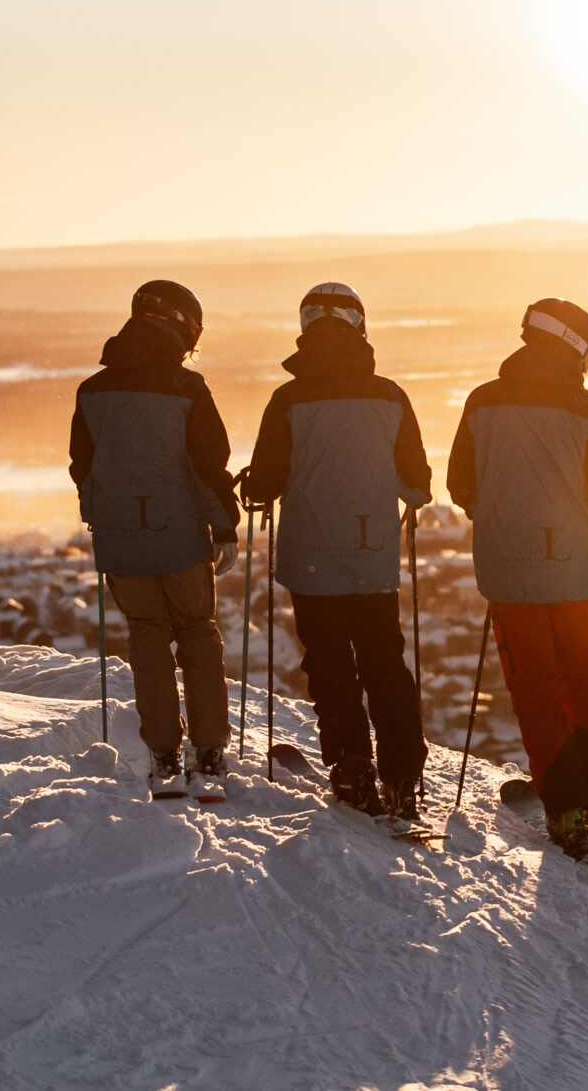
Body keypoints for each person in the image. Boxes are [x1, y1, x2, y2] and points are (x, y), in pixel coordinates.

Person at [448, 296, 588, 860]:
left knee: (536, 693)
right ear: (577, 346)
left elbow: (462, 484)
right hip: (578, 573)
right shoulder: (587, 406)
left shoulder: (482, 402)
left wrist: (505, 518)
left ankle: (564, 811)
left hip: (510, 574)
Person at [241, 283, 434, 817]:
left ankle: (351, 765)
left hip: (310, 555)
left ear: (305, 329)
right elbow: (416, 485)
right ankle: (402, 775)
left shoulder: (288, 399)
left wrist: (252, 485)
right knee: (384, 662)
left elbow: (264, 485)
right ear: (360, 327)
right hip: (373, 553)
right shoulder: (390, 396)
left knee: (329, 661)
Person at [68, 279, 241, 800]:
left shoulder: (92, 391)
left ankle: (163, 755)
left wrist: (101, 515)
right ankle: (208, 754)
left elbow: (83, 467)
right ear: (185, 327)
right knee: (196, 632)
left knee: (146, 635)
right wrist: (225, 526)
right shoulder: (188, 389)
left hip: (122, 537)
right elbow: (208, 467)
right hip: (180, 535)